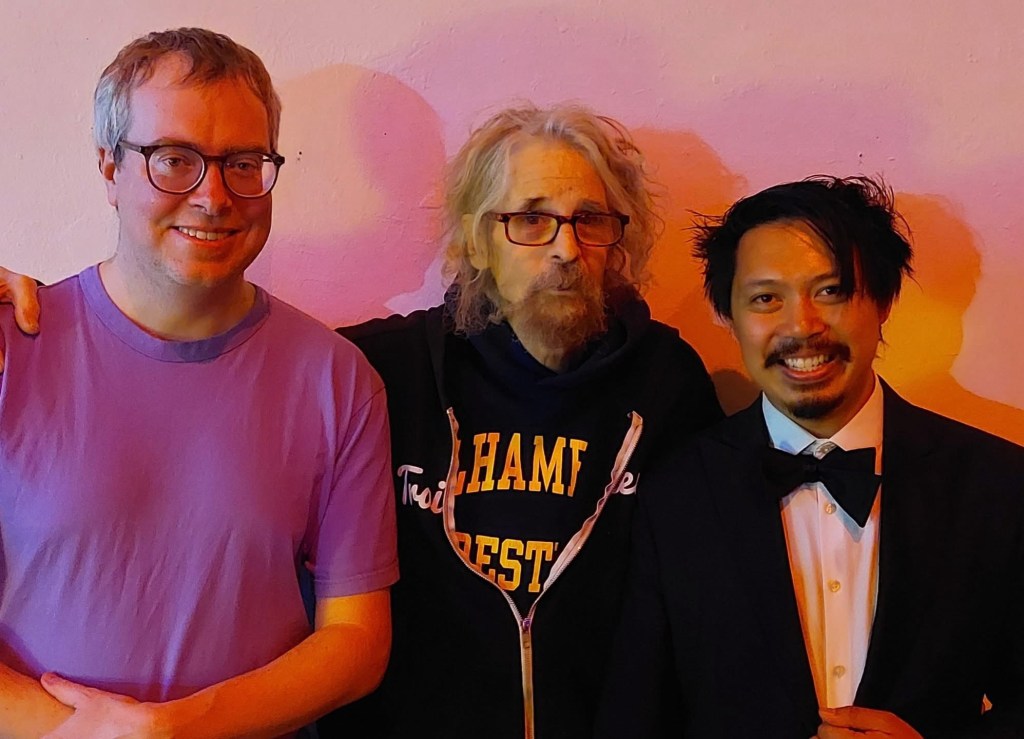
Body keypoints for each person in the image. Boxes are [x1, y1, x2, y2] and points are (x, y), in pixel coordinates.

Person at [1, 104, 722, 737]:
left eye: (591, 220)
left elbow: (703, 600)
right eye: (529, 218)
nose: (565, 248)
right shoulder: (379, 371)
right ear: (475, 239)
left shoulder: (667, 383)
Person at [0, 28, 397, 738]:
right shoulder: (10, 350)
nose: (213, 196)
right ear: (108, 167)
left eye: (243, 163)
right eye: (174, 160)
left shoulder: (339, 381)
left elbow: (356, 642)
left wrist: (171, 729)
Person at [597, 176, 1024, 738]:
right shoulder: (673, 497)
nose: (802, 326)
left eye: (831, 291)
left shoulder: (998, 485)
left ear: (883, 302)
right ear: (729, 317)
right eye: (765, 299)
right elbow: (635, 718)